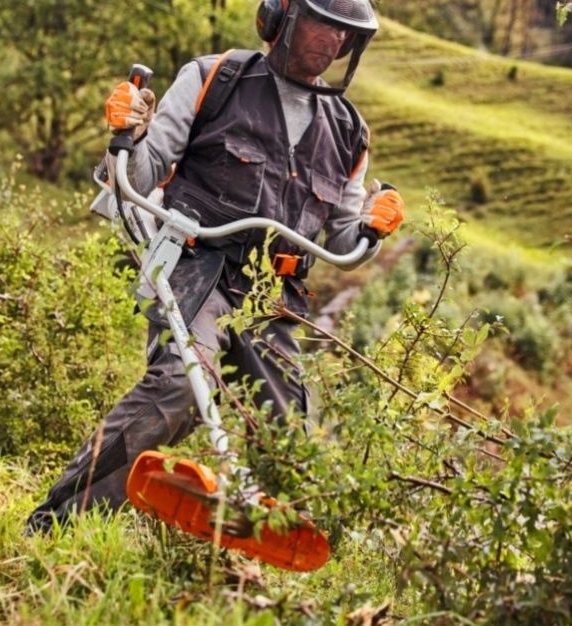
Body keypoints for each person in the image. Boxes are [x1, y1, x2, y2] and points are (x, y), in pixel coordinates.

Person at [26, 0, 405, 534]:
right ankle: (58, 521)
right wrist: (127, 133)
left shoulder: (349, 132)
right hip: (199, 267)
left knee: (287, 438)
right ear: (281, 17)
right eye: (325, 25)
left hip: (274, 295)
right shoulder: (214, 78)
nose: (333, 43)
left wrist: (374, 223)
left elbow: (343, 237)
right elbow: (138, 173)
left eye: (345, 35)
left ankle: (260, 550)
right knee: (181, 385)